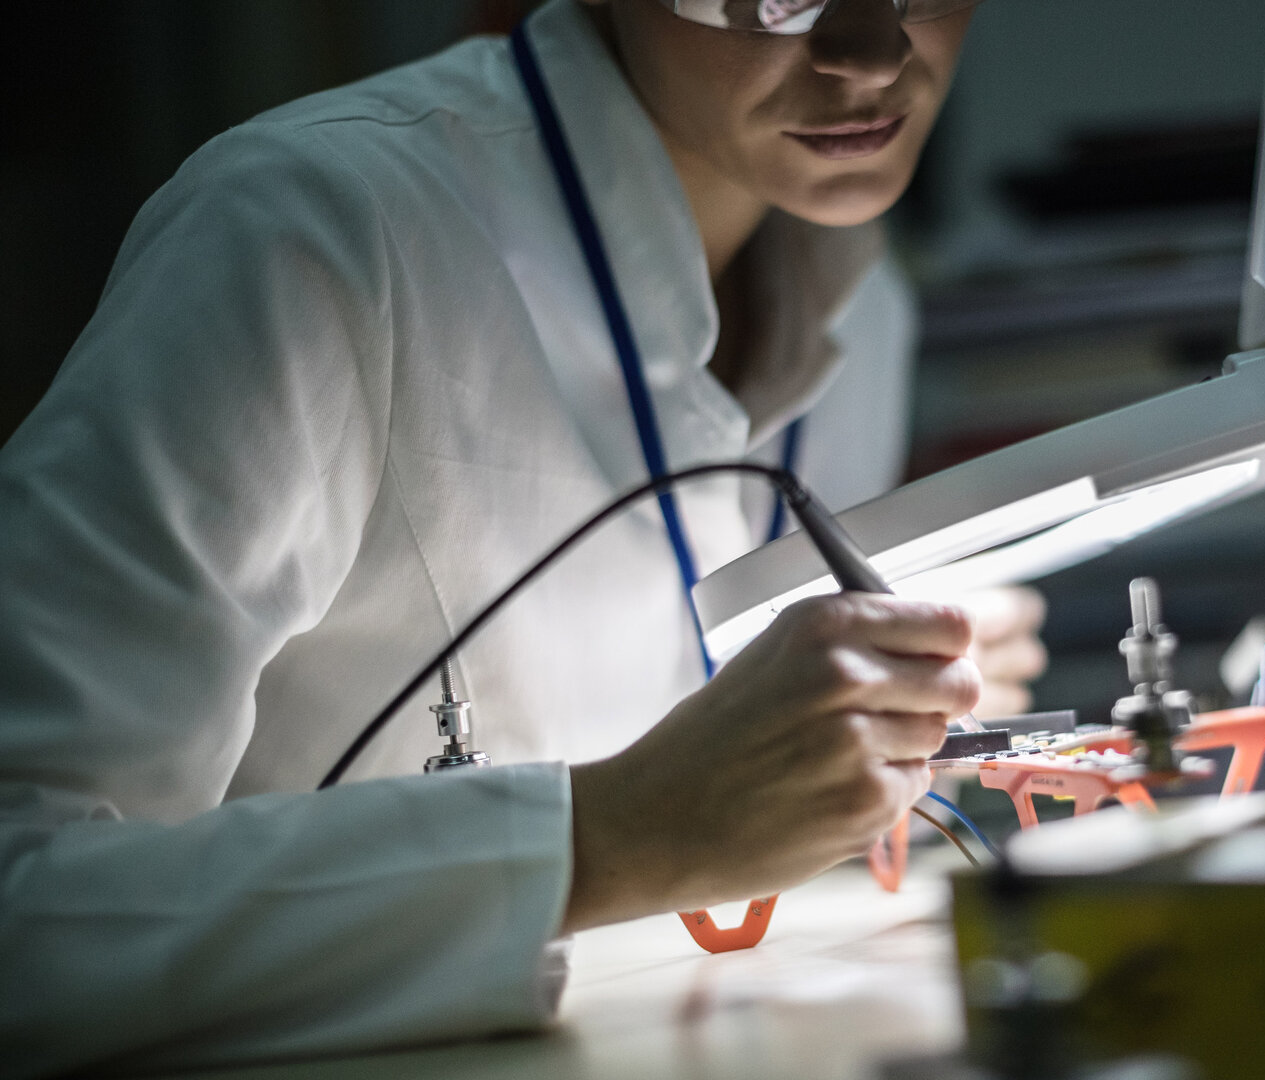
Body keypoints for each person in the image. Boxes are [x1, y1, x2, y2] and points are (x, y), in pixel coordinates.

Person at [0, 0, 1043, 1074]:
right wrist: (600, 841)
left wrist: (876, 726)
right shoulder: (311, 228)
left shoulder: (862, 301)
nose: (872, 54)